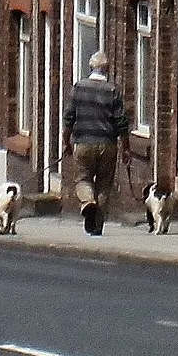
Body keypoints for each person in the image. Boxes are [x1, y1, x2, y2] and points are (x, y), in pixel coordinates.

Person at [62, 50, 131, 235]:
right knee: (104, 184)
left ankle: (88, 202)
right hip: (108, 144)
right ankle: (97, 226)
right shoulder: (112, 90)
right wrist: (126, 148)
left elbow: (69, 118)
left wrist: (66, 142)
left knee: (83, 179)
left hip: (83, 143)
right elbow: (121, 122)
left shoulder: (78, 88)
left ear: (91, 67)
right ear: (107, 70)